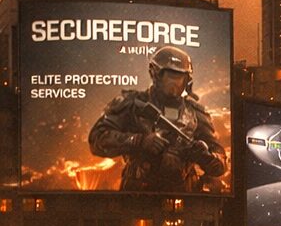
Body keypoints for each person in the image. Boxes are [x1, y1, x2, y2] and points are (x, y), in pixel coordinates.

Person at [89, 45, 227, 191]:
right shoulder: (133, 104)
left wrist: (205, 156)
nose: (174, 83)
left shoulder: (195, 113)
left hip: (184, 197)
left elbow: (221, 165)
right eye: (170, 77)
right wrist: (138, 141)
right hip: (138, 196)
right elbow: (97, 138)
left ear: (187, 80)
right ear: (155, 75)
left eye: (179, 78)